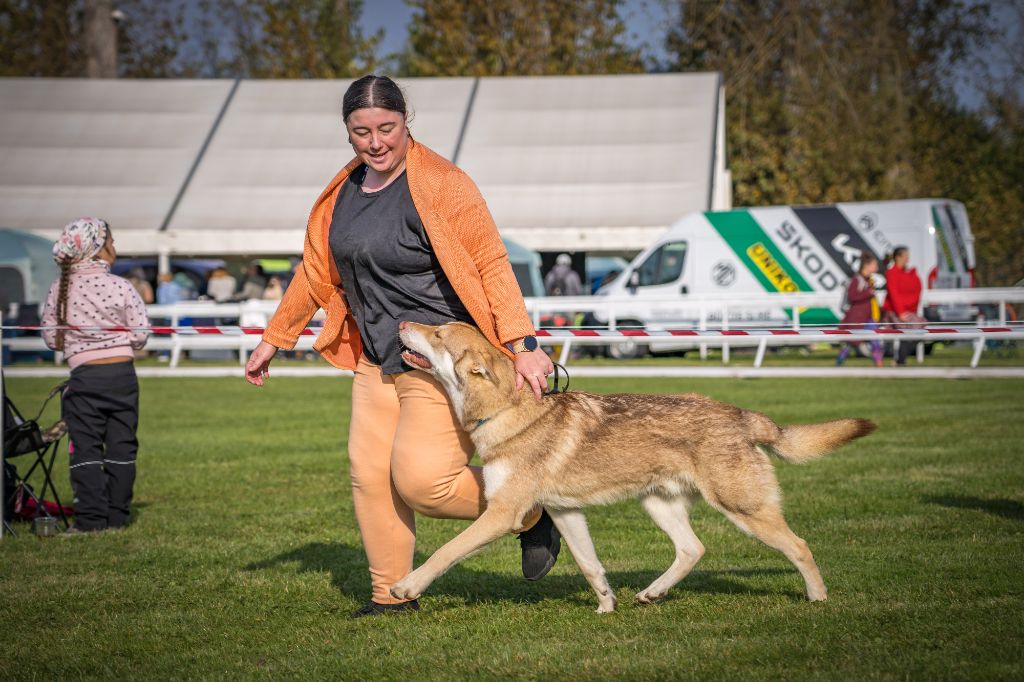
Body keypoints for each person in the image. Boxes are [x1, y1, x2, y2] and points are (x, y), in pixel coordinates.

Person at [244, 75, 557, 618]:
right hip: (376, 357)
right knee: (369, 477)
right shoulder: (341, 193)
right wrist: (276, 337)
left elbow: (490, 263)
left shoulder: (444, 184)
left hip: (442, 361)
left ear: (405, 119)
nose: (375, 142)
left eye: (386, 128)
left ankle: (528, 510)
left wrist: (524, 343)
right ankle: (391, 596)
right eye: (361, 132)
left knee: (424, 484)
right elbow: (318, 272)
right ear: (347, 133)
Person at [41, 218, 149, 533]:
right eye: (111, 242)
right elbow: (141, 335)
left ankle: (90, 521)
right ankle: (117, 517)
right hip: (122, 376)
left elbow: (51, 339)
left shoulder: (59, 289)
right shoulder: (121, 286)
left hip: (84, 377)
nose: (115, 248)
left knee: (85, 447)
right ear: (98, 250)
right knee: (122, 446)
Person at [836, 251, 883, 367]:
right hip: (856, 318)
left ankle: (879, 363)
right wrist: (868, 293)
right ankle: (839, 362)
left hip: (867, 318)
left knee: (875, 339)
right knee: (850, 343)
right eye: (874, 265)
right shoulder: (857, 280)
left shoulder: (869, 280)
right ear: (867, 265)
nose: (876, 268)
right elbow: (852, 296)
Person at [882, 246, 925, 366]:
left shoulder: (908, 273)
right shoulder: (892, 273)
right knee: (910, 330)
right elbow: (894, 294)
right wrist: (900, 312)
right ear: (897, 257)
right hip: (894, 311)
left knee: (918, 330)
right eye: (905, 255)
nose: (908, 258)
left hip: (906, 312)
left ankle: (900, 359)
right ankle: (900, 360)